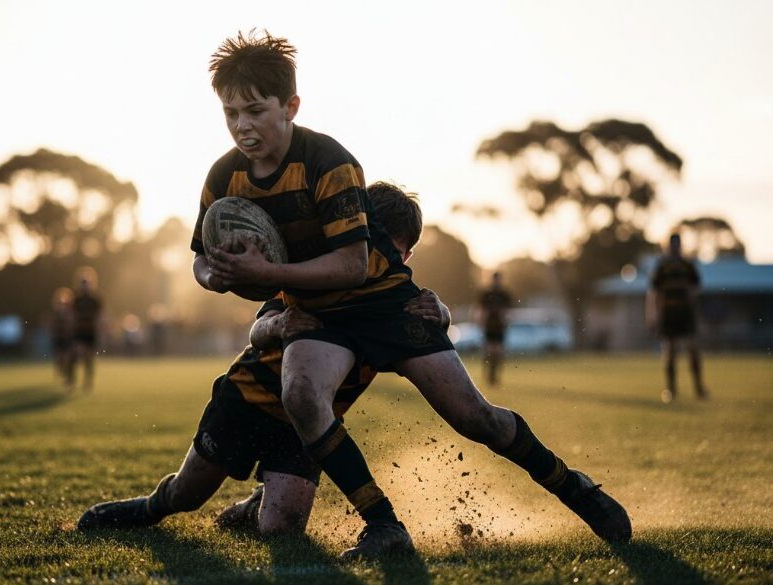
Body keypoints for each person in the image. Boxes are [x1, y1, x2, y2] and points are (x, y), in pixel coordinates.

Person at [195, 31, 632, 558]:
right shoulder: (229, 179)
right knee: (302, 395)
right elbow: (217, 270)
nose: (242, 124)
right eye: (230, 112)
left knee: (475, 417)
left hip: (384, 308)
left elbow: (357, 266)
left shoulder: (329, 163)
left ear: (290, 107)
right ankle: (384, 525)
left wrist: (273, 270)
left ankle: (575, 488)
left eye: (255, 109)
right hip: (322, 316)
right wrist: (217, 274)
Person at [77, 183, 446, 551]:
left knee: (280, 531)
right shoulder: (311, 277)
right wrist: (280, 325)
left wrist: (441, 313)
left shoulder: (399, 304)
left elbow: (426, 337)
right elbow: (258, 330)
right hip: (247, 399)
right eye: (369, 245)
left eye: (391, 252)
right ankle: (148, 508)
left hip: (304, 427)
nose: (375, 259)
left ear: (407, 256)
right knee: (186, 496)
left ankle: (255, 504)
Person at [646, 233, 709, 403]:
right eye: (672, 244)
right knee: (670, 351)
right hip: (668, 314)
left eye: (677, 244)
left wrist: (695, 311)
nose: (675, 247)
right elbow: (654, 292)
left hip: (685, 313)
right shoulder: (662, 266)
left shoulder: (687, 266)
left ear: (680, 246)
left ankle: (699, 388)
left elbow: (695, 290)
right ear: (668, 246)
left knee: (693, 348)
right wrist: (652, 313)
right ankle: (671, 389)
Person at [70, 267, 103, 391]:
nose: (85, 286)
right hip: (79, 332)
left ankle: (88, 381)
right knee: (76, 353)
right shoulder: (76, 300)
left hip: (91, 332)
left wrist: (102, 328)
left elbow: (100, 316)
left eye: (87, 283)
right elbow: (71, 315)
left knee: (88, 358)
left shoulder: (95, 300)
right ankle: (71, 380)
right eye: (82, 283)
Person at [479, 271, 513, 386]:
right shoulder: (486, 294)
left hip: (500, 327)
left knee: (498, 353)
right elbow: (481, 309)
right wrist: (481, 321)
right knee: (489, 351)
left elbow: (508, 311)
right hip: (489, 326)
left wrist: (506, 320)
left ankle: (495, 376)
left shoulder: (505, 294)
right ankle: (488, 374)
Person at [50, 287, 75, 388]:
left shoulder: (71, 312)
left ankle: (69, 379)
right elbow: (53, 326)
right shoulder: (55, 313)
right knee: (60, 358)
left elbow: (72, 324)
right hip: (59, 338)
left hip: (68, 338)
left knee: (68, 358)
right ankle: (62, 371)